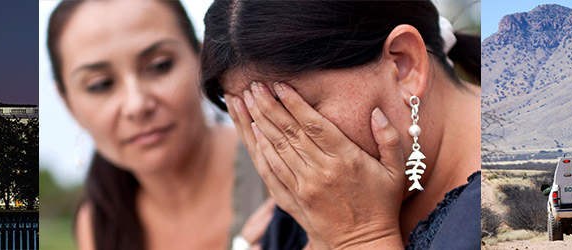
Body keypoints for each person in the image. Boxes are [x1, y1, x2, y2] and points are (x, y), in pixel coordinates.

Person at [200, 1, 482, 249]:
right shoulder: (314, 201)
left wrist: (361, 238)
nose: (280, 152)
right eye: (254, 119)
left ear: (404, 65)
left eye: (292, 112)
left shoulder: (516, 197)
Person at [46, 1, 273, 249]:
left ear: (201, 60)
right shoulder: (98, 226)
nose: (137, 105)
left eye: (160, 66)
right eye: (101, 84)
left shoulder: (283, 170)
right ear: (68, 103)